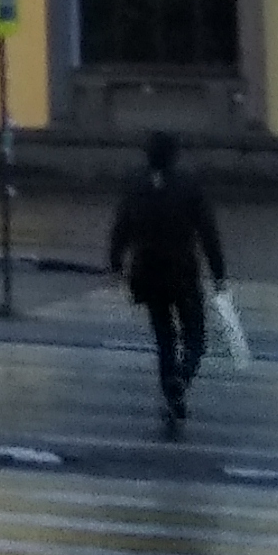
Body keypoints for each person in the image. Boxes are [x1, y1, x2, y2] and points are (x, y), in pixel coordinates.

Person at [108, 131, 227, 433]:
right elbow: (207, 232)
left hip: (146, 272)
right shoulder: (189, 186)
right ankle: (182, 378)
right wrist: (218, 272)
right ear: (174, 155)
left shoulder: (134, 184)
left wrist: (115, 262)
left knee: (164, 339)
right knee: (196, 336)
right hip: (182, 271)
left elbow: (121, 226)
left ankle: (172, 397)